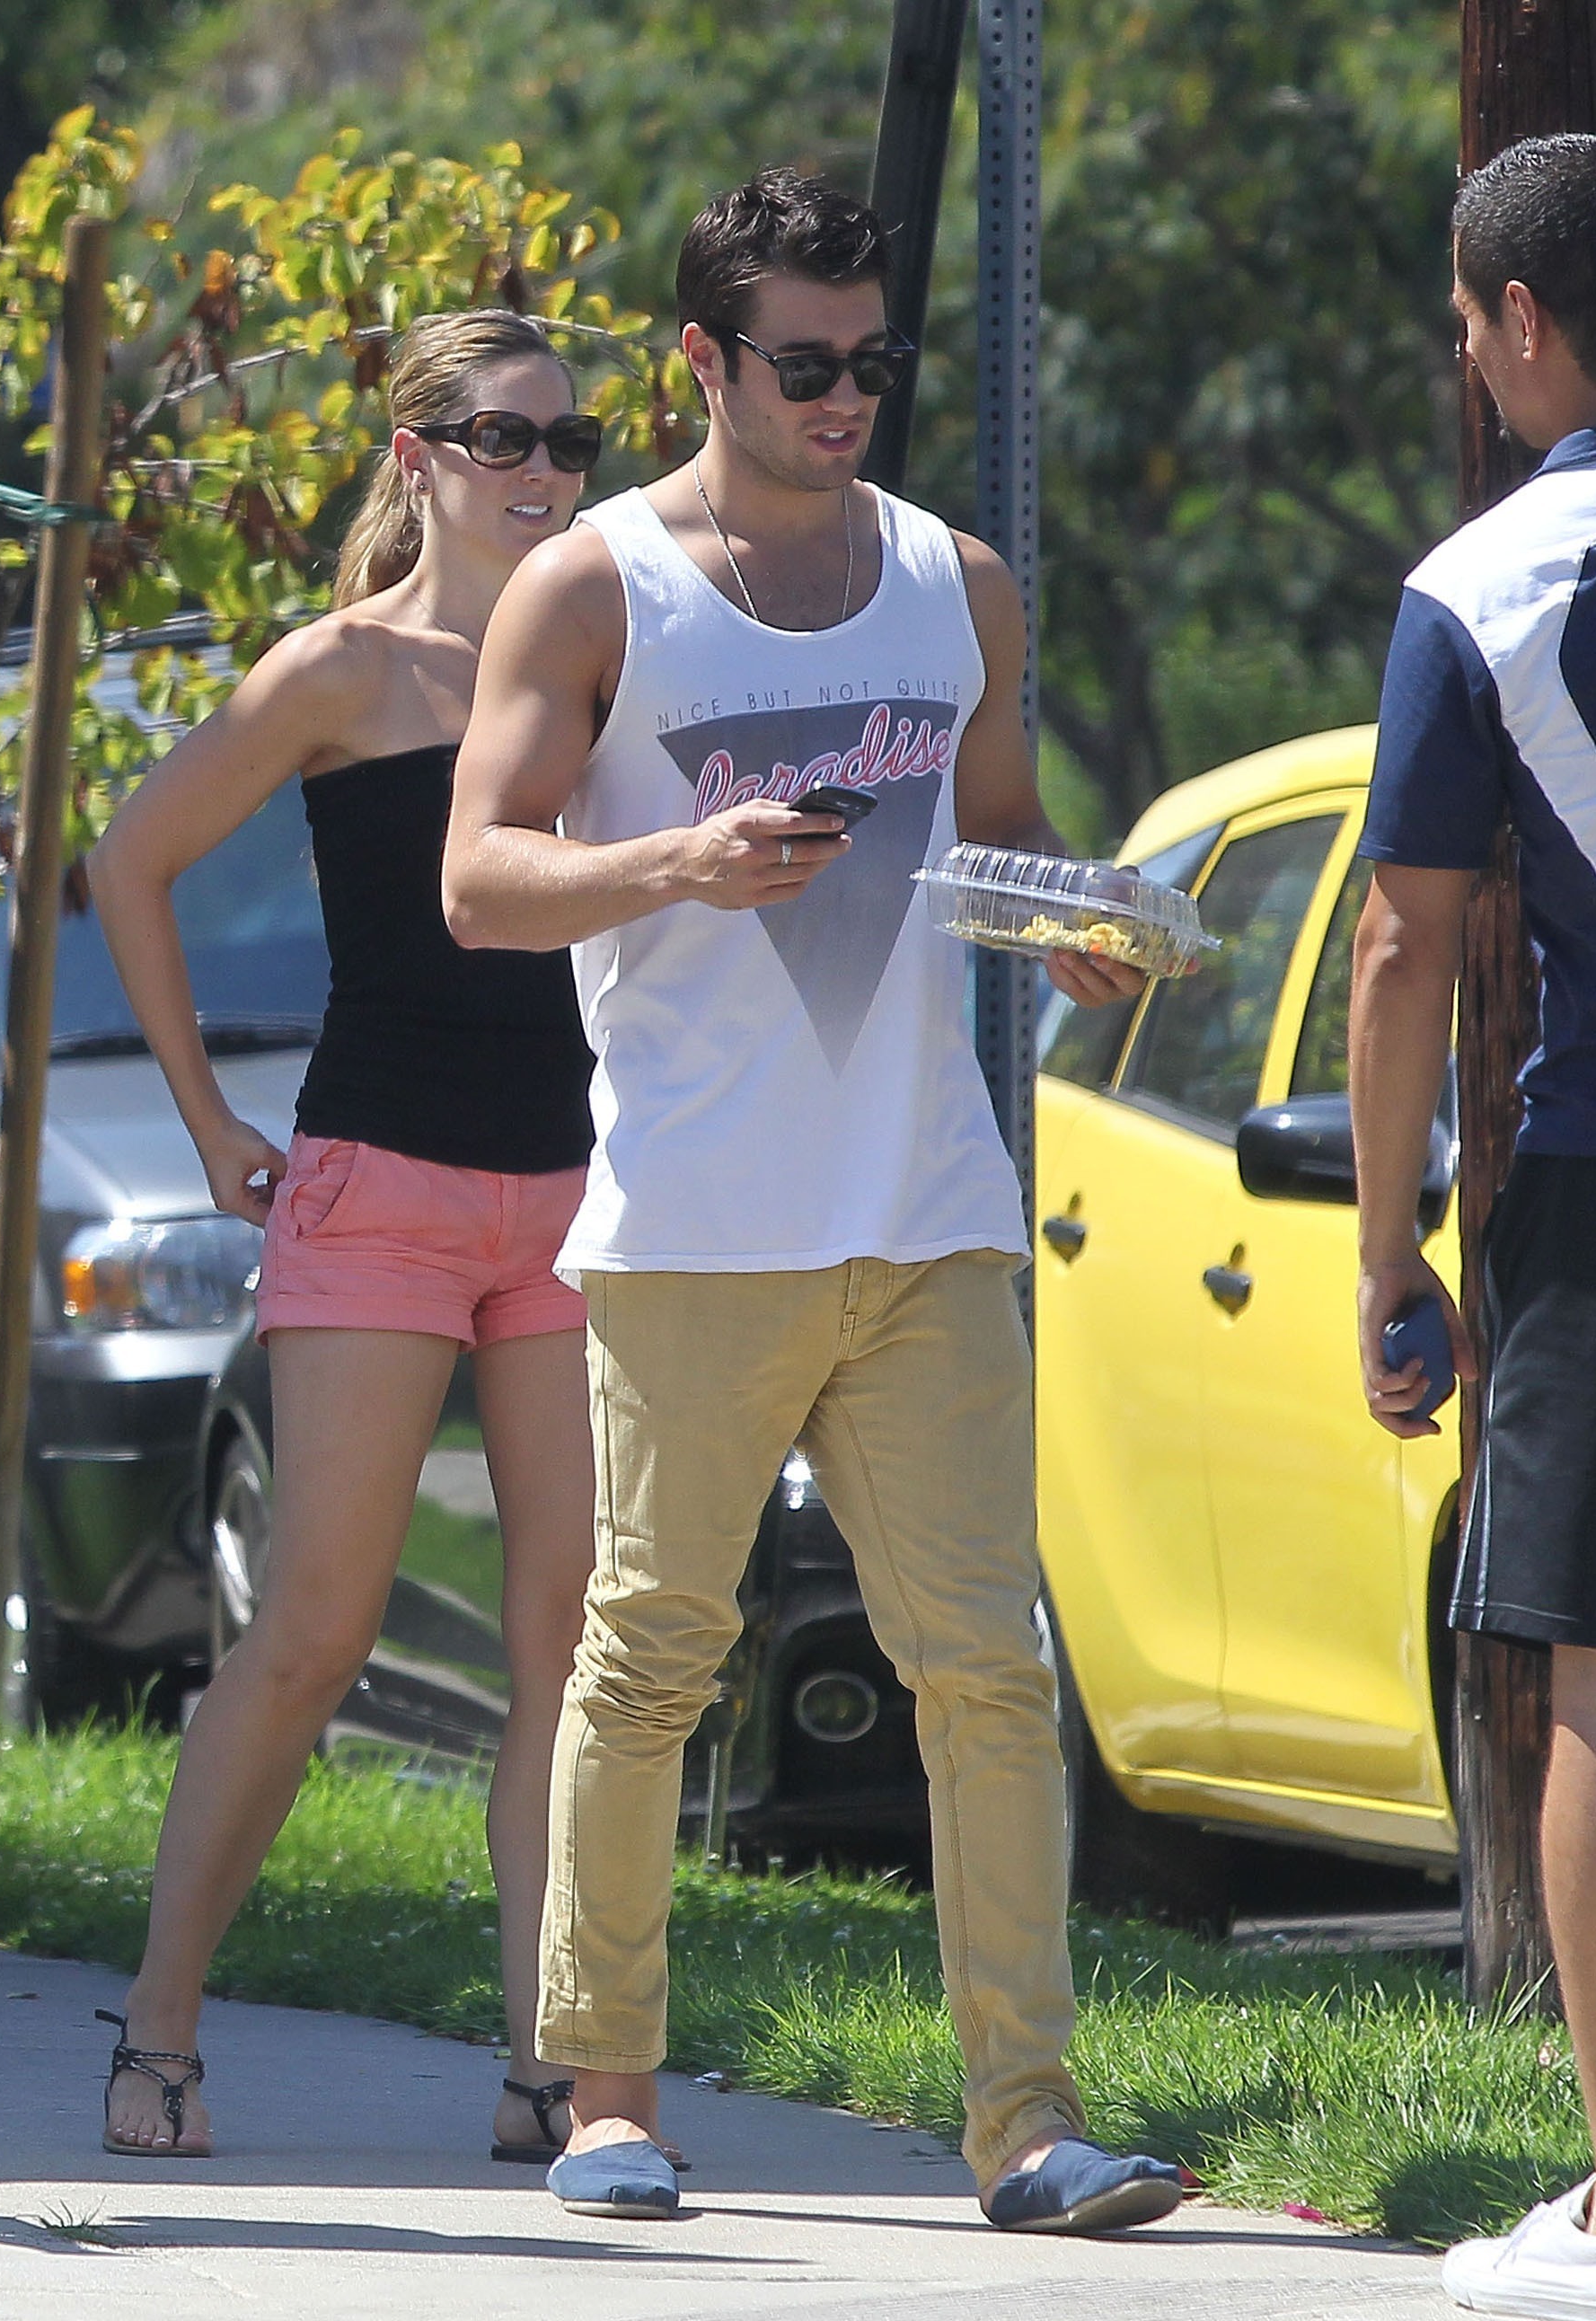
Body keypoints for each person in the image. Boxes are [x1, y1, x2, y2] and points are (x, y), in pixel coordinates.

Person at [439, 169, 1181, 2232]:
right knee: (650, 1660)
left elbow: (997, 831)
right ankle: (606, 2099)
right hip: (694, 1222)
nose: (845, 395)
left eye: (874, 360)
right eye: (803, 363)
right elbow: (478, 874)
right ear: (706, 358)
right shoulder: (591, 586)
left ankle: (1027, 2123)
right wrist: (672, 864)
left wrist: (1077, 922)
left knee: (990, 1669)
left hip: (928, 1210)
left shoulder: (957, 581)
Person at [84, 310, 605, 2161]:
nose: (542, 473)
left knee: (573, 1648)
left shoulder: (618, 655)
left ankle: (552, 2068)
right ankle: (158, 2026)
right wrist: (205, 1121)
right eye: (502, 438)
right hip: (379, 1179)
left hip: (579, 1191)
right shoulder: (341, 669)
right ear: (417, 458)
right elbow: (127, 860)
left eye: (569, 442)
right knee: (314, 1630)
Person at [1347, 132, 1596, 2320]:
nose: (1469, 361)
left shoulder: (1483, 584)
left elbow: (1401, 946)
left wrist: (1387, 1246)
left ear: (1524, 317)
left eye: (1466, 324)